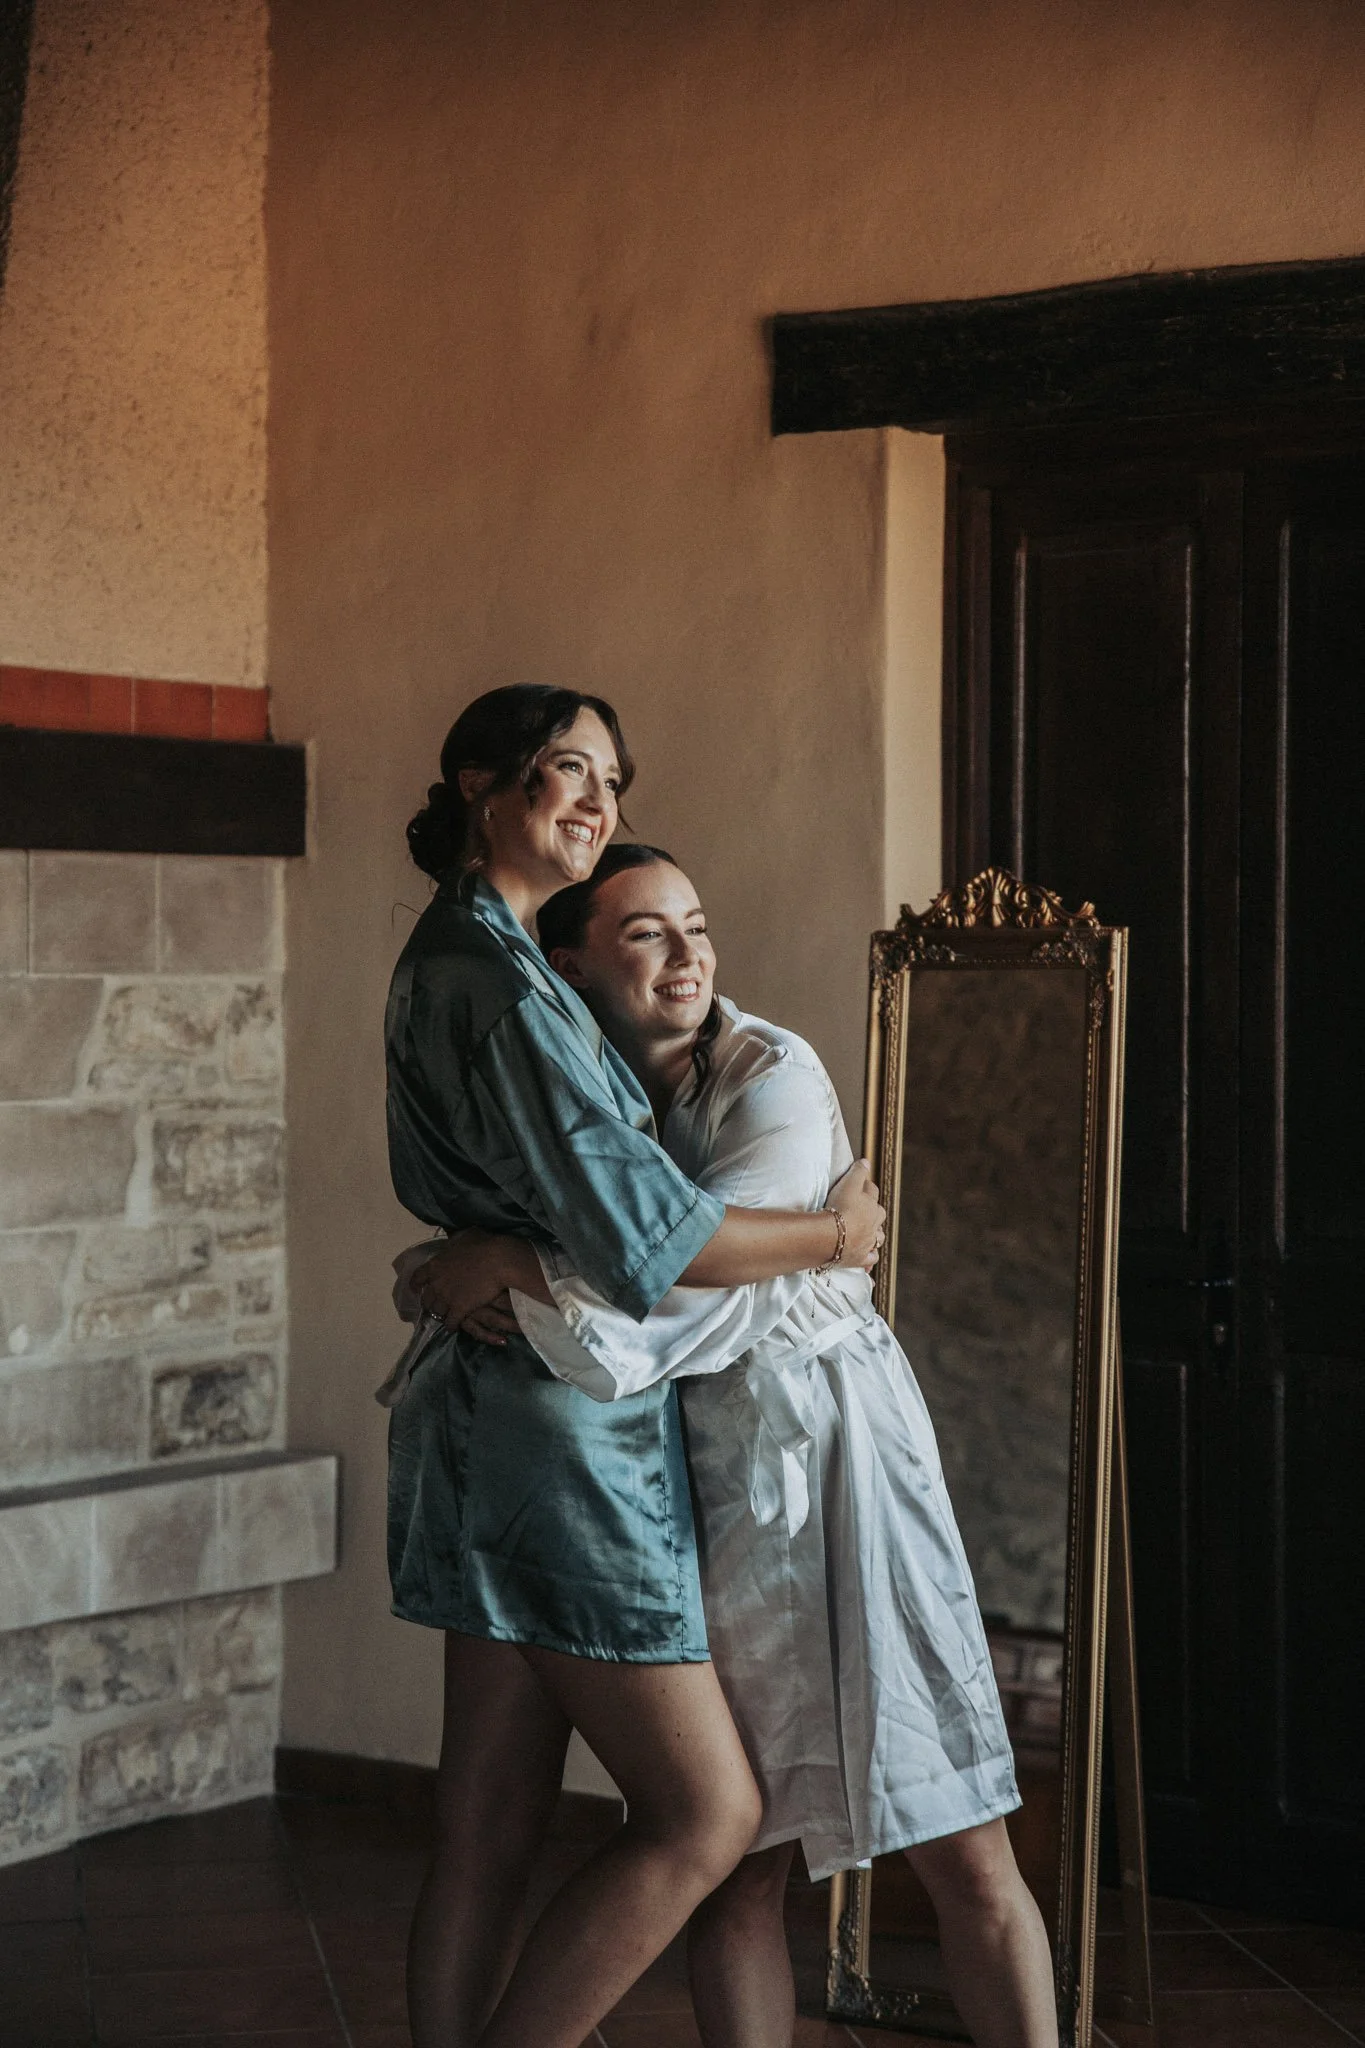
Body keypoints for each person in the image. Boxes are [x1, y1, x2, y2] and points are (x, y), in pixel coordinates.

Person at [417, 842, 1059, 2048]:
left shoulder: (775, 1070)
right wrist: (484, 1261)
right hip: (702, 1480)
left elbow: (689, 1287)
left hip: (835, 1455)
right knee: (741, 1858)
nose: (689, 953)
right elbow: (638, 1259)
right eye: (648, 933)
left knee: (961, 1832)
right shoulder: (585, 1098)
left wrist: (524, 1269)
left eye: (697, 925)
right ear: (570, 963)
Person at [384, 687, 885, 2048]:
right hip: (561, 1430)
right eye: (564, 772)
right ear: (483, 785)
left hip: (475, 1408)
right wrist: (840, 1232)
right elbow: (658, 1247)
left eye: (610, 776)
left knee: (485, 1822)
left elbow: (531, 1211)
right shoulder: (506, 984)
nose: (594, 801)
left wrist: (478, 1250)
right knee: (708, 1813)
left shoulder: (458, 953)